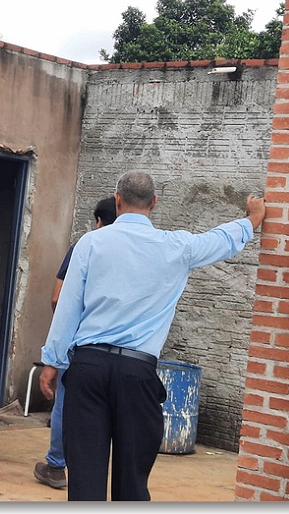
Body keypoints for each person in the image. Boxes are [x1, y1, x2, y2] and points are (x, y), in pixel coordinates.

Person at [39, 170, 266, 501]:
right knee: (132, 480)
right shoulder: (176, 246)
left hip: (88, 368)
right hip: (137, 373)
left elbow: (67, 307)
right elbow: (219, 240)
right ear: (155, 202)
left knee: (85, 478)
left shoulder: (90, 243)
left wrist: (52, 361)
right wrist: (252, 220)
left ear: (117, 200)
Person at [34, 196, 116, 490]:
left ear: (98, 221)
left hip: (81, 346)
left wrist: (66, 332)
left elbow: (58, 297)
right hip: (122, 352)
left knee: (65, 405)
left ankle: (56, 466)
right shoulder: (137, 251)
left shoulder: (86, 246)